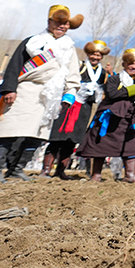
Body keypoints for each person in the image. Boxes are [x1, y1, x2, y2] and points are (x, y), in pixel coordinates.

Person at [0, 5, 83, 182]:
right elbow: (14, 66)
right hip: (25, 89)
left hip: (50, 95)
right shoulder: (33, 41)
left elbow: (73, 74)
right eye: (58, 22)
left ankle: (16, 170)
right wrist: (9, 89)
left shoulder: (69, 48)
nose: (61, 26)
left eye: (65, 23)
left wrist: (69, 93)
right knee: (8, 130)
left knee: (37, 135)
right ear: (49, 22)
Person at [77, 48, 135, 182]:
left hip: (128, 119)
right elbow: (112, 94)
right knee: (101, 144)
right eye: (131, 63)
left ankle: (130, 176)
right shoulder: (114, 79)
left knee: (130, 146)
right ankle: (96, 175)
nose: (134, 66)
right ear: (124, 64)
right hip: (110, 117)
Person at [41, 40, 110, 178]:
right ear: (88, 54)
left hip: (85, 108)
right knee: (57, 137)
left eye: (98, 55)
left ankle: (61, 170)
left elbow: (105, 91)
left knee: (71, 140)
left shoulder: (103, 73)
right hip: (69, 105)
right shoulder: (79, 66)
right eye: (93, 54)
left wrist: (110, 74)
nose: (95, 57)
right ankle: (46, 170)